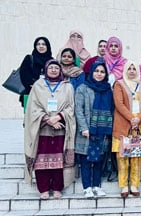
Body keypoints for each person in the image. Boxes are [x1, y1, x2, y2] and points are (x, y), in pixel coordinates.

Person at [23, 59, 76, 200]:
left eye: (56, 68)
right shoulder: (38, 85)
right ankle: (44, 189)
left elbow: (71, 107)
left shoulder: (67, 86)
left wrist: (58, 117)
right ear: (46, 70)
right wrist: (47, 119)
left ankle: (58, 187)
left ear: (60, 71)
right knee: (41, 160)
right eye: (51, 68)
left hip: (60, 128)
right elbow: (33, 108)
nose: (53, 70)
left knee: (59, 160)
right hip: (42, 129)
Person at [75, 61, 114, 197]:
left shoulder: (108, 89)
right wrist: (84, 128)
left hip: (102, 131)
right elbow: (78, 110)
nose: (99, 74)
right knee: (86, 159)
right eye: (96, 71)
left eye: (102, 72)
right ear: (91, 72)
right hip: (87, 130)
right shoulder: (83, 88)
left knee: (99, 159)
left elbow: (111, 109)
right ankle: (87, 187)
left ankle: (97, 186)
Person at [112, 60, 141, 197]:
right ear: (125, 70)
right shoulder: (119, 84)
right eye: (129, 68)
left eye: (134, 68)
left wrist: (138, 119)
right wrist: (132, 118)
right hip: (123, 124)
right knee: (122, 157)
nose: (132, 71)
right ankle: (123, 186)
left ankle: (134, 184)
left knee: (136, 157)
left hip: (139, 126)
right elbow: (119, 104)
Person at [19, 36, 53, 106]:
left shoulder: (51, 60)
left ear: (47, 46)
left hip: (47, 93)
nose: (41, 46)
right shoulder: (29, 58)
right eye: (38, 44)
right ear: (35, 46)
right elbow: (24, 75)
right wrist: (35, 85)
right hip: (31, 92)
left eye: (43, 44)